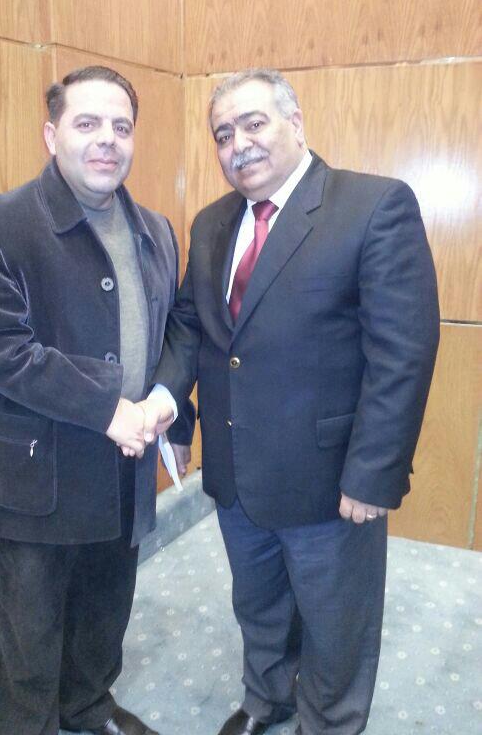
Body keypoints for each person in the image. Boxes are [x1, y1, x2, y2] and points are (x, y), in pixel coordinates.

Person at [141, 68, 440, 735]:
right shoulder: (212, 223)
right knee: (259, 605)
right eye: (224, 133)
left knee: (336, 621)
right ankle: (266, 698)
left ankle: (329, 721)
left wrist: (374, 473)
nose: (239, 143)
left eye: (254, 123)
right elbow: (192, 326)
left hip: (329, 479)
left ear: (295, 122)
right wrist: (176, 413)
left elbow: (403, 355)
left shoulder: (373, 205)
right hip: (236, 470)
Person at [0, 65, 193, 735]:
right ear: (51, 134)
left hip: (127, 462)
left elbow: (177, 328)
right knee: (29, 635)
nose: (107, 139)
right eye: (87, 123)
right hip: (40, 472)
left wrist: (163, 402)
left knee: (105, 612)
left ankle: (88, 707)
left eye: (121, 126)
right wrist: (110, 409)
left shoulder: (156, 229)